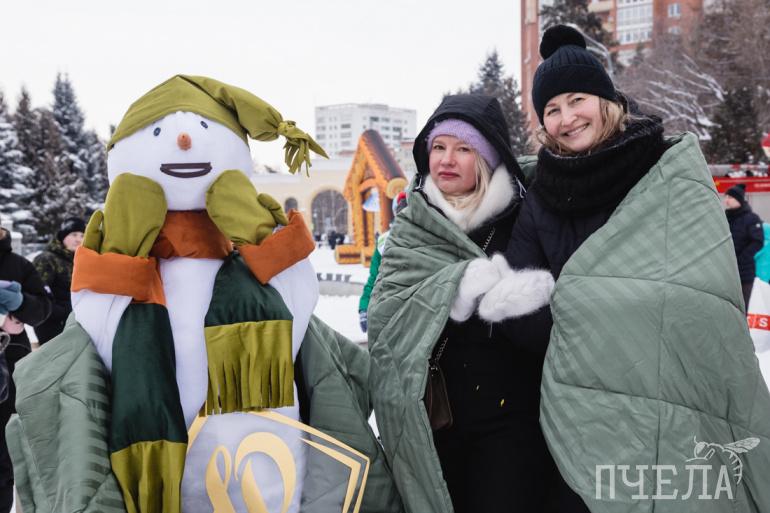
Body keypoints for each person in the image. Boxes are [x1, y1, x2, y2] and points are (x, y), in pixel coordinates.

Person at [470, 25, 770, 511]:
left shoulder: (664, 171)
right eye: (552, 109)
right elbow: (520, 307)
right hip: (584, 406)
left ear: (606, 100)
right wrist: (592, 322)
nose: (567, 118)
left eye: (577, 100)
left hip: (672, 388)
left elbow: (704, 288)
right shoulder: (541, 198)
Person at [367, 94, 561, 512]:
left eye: (463, 149)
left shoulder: (523, 219)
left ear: (487, 158)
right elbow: (385, 320)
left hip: (514, 422)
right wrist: (452, 288)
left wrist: (519, 300)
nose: (446, 160)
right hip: (435, 421)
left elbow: (559, 319)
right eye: (439, 147)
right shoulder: (412, 228)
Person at [0, 226, 51, 512]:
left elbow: (42, 310)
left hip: (9, 367)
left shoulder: (19, 265)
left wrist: (19, 304)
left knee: (4, 456)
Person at [358, 192, 407, 333]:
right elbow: (374, 278)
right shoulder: (384, 241)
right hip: (392, 312)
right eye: (402, 209)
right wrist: (364, 307)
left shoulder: (427, 238)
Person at [33, 216, 85, 344]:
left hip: (77, 323)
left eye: (82, 235)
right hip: (52, 325)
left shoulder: (81, 261)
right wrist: (62, 312)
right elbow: (37, 293)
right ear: (63, 236)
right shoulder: (46, 259)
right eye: (74, 234)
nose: (78, 239)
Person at [723, 184, 764, 305]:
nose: (726, 200)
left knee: (742, 307)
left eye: (730, 197)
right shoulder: (725, 218)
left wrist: (741, 258)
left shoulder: (751, 218)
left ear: (739, 200)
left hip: (744, 273)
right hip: (727, 272)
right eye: (726, 197)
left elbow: (758, 241)